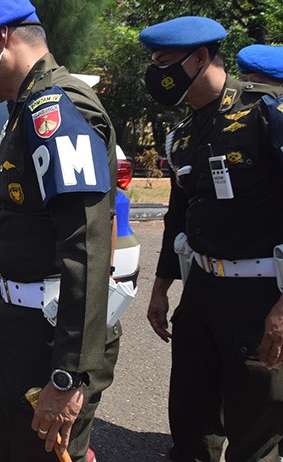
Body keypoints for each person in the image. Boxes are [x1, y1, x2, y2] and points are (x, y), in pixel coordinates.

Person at [0, 0, 120, 460]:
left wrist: (68, 376)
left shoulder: (54, 108)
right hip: (27, 328)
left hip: (54, 342)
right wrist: (0, 295)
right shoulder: (25, 108)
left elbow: (84, 247)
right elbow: (33, 234)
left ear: (2, 39)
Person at [140, 16, 283, 462]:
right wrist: (161, 288)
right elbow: (177, 216)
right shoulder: (184, 134)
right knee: (190, 418)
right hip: (202, 290)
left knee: (254, 428)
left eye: (164, 63)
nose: (156, 73)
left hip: (259, 296)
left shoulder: (267, 113)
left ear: (200, 57)